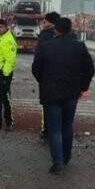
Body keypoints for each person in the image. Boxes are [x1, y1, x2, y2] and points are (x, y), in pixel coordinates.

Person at [32, 16, 94, 172]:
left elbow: (36, 69)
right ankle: (66, 156)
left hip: (50, 93)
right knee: (67, 125)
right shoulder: (79, 46)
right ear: (70, 29)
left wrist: (44, 82)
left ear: (56, 29)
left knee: (54, 128)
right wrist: (82, 86)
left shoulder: (45, 46)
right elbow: (90, 69)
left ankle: (57, 160)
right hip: (72, 92)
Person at [38, 12, 61, 140]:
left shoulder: (45, 36)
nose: (43, 24)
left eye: (45, 22)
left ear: (51, 23)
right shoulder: (70, 36)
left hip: (47, 78)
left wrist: (41, 77)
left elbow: (38, 61)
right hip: (65, 80)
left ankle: (46, 131)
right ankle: (59, 130)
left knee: (47, 105)